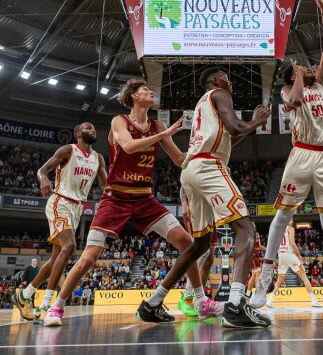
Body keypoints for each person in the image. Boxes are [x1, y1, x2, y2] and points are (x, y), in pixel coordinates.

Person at [49, 79, 212, 327]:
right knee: (89, 257)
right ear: (134, 96)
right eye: (146, 90)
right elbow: (128, 146)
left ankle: (200, 302)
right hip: (116, 197)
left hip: (145, 198)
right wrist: (164, 133)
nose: (151, 92)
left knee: (187, 242)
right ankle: (56, 308)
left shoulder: (157, 124)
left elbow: (179, 159)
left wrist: (205, 147)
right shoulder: (119, 121)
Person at [142, 67, 272, 328]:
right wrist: (257, 120)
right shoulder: (221, 93)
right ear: (215, 80)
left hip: (191, 171)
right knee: (246, 228)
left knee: (199, 246)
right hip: (209, 167)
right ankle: (236, 305)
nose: (230, 80)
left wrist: (249, 127)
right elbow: (236, 127)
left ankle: (153, 303)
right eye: (226, 75)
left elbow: (230, 137)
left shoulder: (205, 104)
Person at [250, 0, 323, 321]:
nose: (310, 66)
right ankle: (264, 280)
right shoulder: (289, 91)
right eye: (302, 67)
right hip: (303, 156)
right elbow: (293, 103)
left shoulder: (321, 83)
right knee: (281, 216)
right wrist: (294, 76)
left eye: (309, 66)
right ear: (293, 76)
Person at [15, 123, 106, 325]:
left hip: (77, 208)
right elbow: (42, 170)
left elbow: (105, 185)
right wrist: (44, 179)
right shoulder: (68, 150)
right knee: (70, 246)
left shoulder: (98, 158)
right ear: (78, 133)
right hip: (60, 202)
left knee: (55, 259)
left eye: (94, 128)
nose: (93, 130)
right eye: (89, 128)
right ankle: (47, 303)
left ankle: (24, 295)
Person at [266, 221, 323, 309]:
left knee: (279, 280)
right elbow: (292, 244)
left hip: (281, 255)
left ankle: (269, 301)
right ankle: (314, 301)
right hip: (289, 254)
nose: (292, 220)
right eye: (291, 219)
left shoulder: (279, 229)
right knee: (304, 277)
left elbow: (274, 244)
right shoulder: (290, 228)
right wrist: (299, 255)